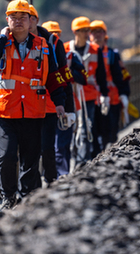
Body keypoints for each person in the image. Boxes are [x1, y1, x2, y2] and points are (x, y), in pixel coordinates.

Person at [0, 0, 66, 210]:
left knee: (30, 158)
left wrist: (61, 104)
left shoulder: (43, 46)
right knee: (7, 156)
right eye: (13, 17)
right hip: (6, 113)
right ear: (7, 20)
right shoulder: (0, 44)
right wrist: (2, 36)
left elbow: (54, 76)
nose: (18, 22)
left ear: (31, 21)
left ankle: (27, 199)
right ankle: (8, 197)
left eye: (23, 17)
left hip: (33, 112)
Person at [41, 21, 87, 176]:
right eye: (52, 33)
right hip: (41, 107)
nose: (55, 36)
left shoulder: (68, 56)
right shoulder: (36, 53)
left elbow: (81, 78)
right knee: (47, 146)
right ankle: (50, 175)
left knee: (62, 144)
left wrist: (68, 72)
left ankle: (61, 175)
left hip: (63, 104)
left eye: (58, 34)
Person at [64, 16, 109, 167]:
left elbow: (101, 75)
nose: (86, 33)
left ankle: (81, 163)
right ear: (75, 32)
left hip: (88, 96)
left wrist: (104, 94)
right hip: (69, 95)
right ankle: (71, 159)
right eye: (82, 30)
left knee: (85, 128)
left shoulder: (95, 50)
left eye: (87, 30)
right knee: (70, 129)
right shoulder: (64, 49)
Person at [90, 20, 131, 148]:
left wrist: (124, 94)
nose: (97, 35)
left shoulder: (113, 55)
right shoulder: (85, 53)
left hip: (112, 99)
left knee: (111, 131)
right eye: (94, 32)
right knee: (94, 133)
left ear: (104, 34)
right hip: (91, 98)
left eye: (100, 32)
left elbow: (121, 76)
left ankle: (109, 157)